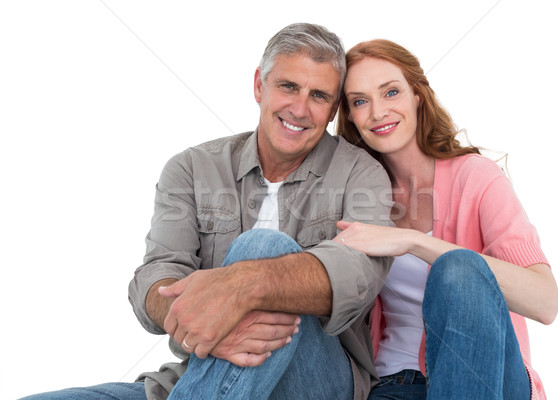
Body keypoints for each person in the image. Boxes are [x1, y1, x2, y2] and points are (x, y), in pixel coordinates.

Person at [20, 24, 395, 400]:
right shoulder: (192, 168)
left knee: (262, 248)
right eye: (288, 86)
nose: (300, 108)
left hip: (319, 380)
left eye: (318, 95)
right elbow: (156, 275)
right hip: (201, 369)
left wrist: (243, 287)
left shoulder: (362, 174)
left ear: (332, 110)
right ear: (259, 86)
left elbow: (357, 276)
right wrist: (221, 328)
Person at [333, 39, 558, 400]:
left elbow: (546, 303)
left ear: (418, 96)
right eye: (360, 101)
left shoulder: (477, 177)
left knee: (459, 269)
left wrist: (416, 242)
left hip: (489, 377)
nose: (377, 112)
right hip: (392, 385)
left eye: (391, 92)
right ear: (350, 116)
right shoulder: (355, 197)